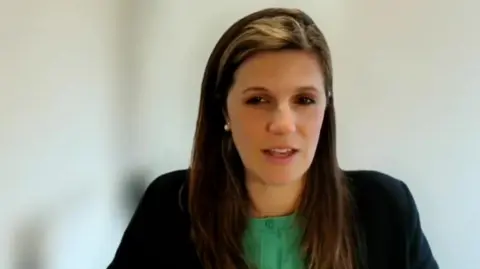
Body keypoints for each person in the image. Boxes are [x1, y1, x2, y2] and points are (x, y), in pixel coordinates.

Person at [107, 7, 438, 269]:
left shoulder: (385, 208)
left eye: (304, 100)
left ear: (326, 108)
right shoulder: (169, 206)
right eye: (258, 100)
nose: (283, 124)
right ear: (224, 111)